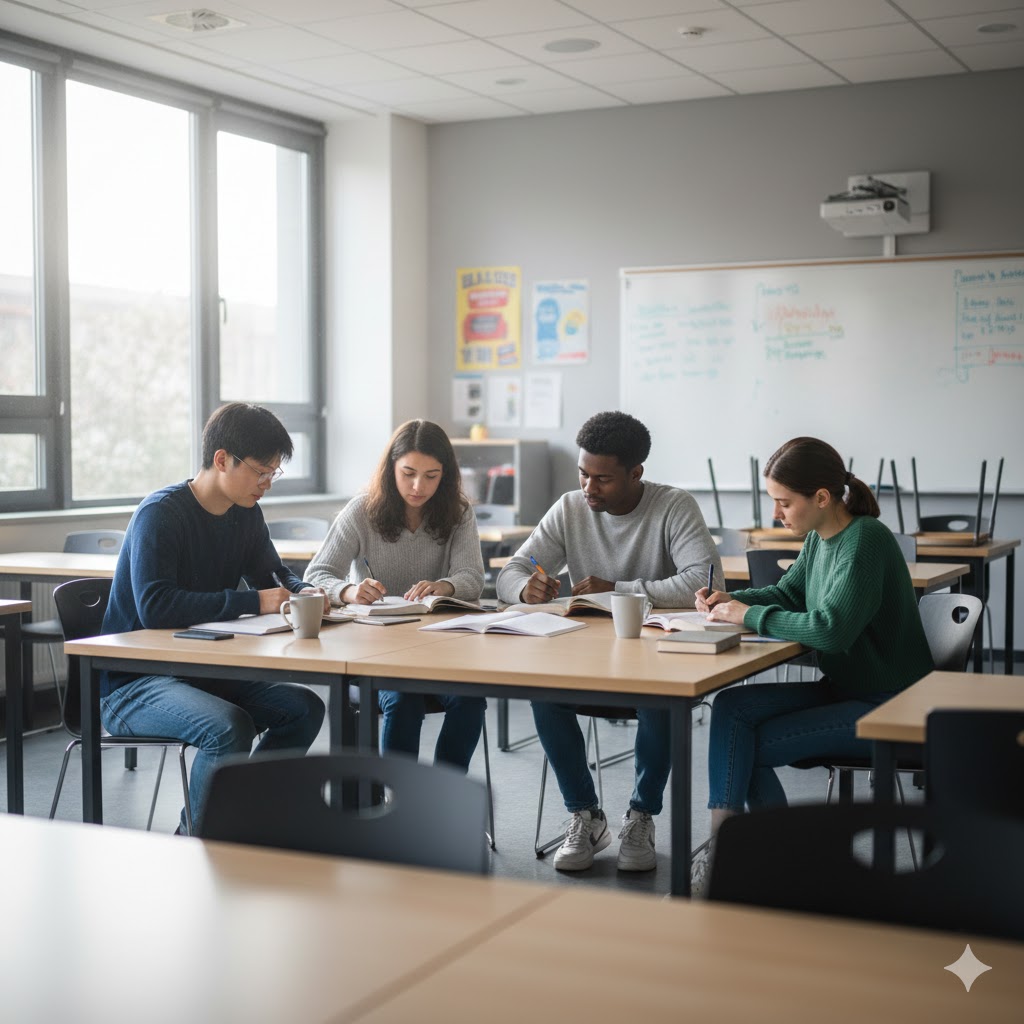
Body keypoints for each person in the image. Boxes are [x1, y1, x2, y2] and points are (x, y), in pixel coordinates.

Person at [693, 436, 934, 888]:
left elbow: (831, 630)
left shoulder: (865, 540)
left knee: (745, 749)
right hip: (848, 688)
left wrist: (748, 615)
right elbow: (788, 593)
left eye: (784, 503)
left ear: (822, 498)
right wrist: (732, 599)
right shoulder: (820, 538)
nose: (776, 515)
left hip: (891, 704)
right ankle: (727, 847)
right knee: (730, 708)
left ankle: (786, 862)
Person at [496, 411, 722, 872]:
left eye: (602, 478)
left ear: (636, 473)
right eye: (583, 474)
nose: (588, 488)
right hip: (586, 652)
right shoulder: (569, 508)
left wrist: (617, 589)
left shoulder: (673, 506)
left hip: (656, 653)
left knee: (659, 701)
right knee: (544, 693)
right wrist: (525, 588)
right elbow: (513, 571)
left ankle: (641, 815)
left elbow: (704, 580)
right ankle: (586, 815)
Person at [100, 402, 327, 836]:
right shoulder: (160, 514)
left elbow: (273, 574)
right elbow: (157, 606)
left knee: (303, 708)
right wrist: (252, 602)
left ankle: (238, 820)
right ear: (222, 459)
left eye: (273, 474)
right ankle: (198, 843)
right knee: (228, 728)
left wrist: (304, 592)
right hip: (132, 681)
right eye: (261, 472)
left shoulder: (245, 513)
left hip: (199, 671)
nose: (266, 485)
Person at [304, 419, 486, 771]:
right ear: (391, 469)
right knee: (404, 699)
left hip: (440, 650)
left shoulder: (459, 512)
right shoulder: (361, 510)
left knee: (470, 700)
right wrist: (350, 590)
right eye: (408, 473)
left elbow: (472, 577)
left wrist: (445, 586)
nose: (418, 486)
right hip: (377, 653)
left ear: (445, 475)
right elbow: (317, 575)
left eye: (431, 476)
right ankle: (396, 803)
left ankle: (441, 797)